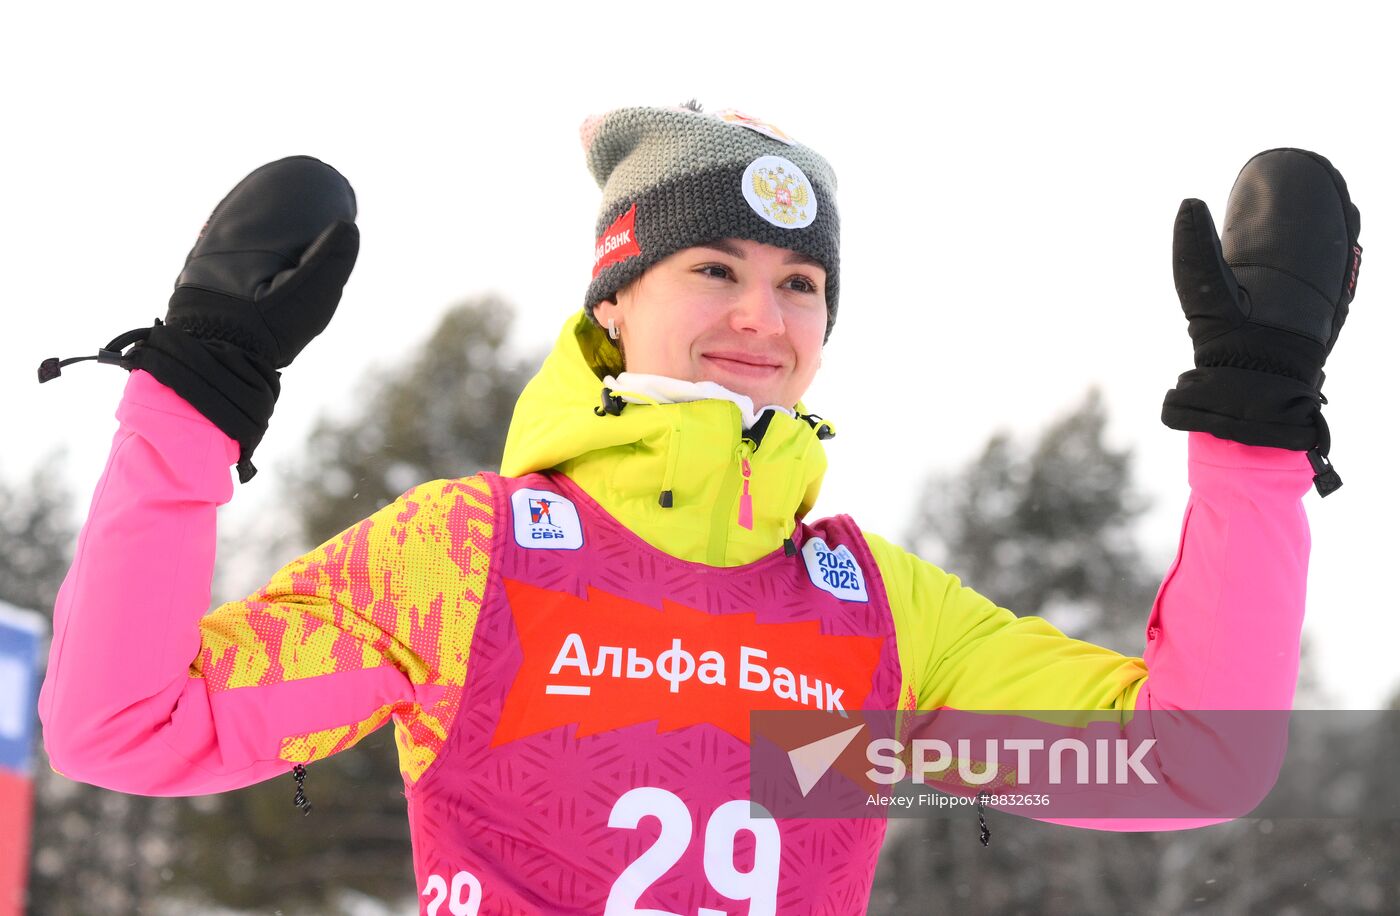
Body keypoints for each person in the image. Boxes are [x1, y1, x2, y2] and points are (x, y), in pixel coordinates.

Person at [37, 103, 1361, 914]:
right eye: (714, 266)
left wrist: (1252, 431)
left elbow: (1192, 760)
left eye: (801, 285)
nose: (759, 314)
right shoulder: (468, 557)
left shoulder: (870, 615)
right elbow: (122, 730)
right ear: (612, 303)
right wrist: (195, 398)